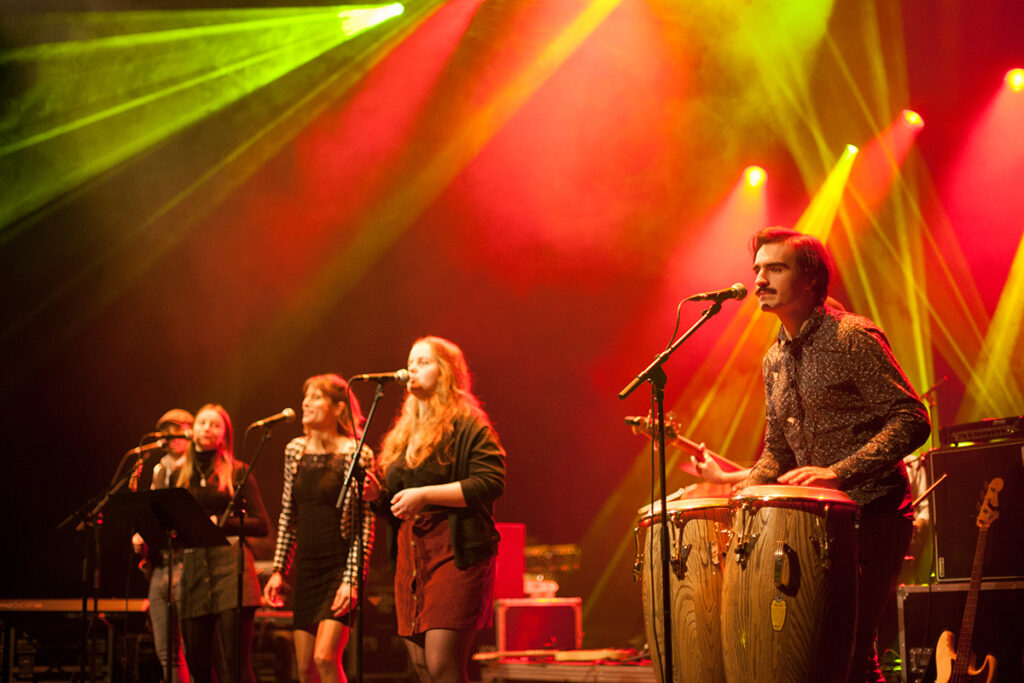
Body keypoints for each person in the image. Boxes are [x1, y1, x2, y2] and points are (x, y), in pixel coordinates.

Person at [731, 227, 930, 683]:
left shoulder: (852, 337)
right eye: (757, 269)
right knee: (812, 655)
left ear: (810, 279)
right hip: (811, 526)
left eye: (775, 268)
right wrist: (743, 491)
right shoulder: (773, 360)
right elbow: (777, 450)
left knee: (854, 655)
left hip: (874, 515)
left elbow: (912, 418)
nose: (760, 279)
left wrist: (840, 473)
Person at [365, 336, 506, 683]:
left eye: (423, 362)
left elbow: (490, 482)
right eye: (410, 362)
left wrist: (425, 494)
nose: (412, 368)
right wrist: (374, 495)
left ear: (446, 371)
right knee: (422, 667)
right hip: (412, 557)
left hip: (455, 553)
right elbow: (396, 502)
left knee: (443, 664)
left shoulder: (468, 423)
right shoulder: (405, 430)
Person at [263, 375, 375, 683]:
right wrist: (278, 570)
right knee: (304, 669)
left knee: (325, 658)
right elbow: (289, 513)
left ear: (339, 409)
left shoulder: (357, 452)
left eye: (316, 397)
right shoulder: (294, 450)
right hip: (307, 569)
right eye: (306, 396)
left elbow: (366, 523)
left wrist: (352, 579)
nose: (306, 403)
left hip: (339, 568)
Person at [175, 404, 269, 683]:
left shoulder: (238, 473)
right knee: (197, 661)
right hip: (193, 568)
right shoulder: (180, 474)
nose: (207, 428)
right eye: (203, 422)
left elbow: (262, 524)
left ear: (224, 435)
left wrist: (221, 522)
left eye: (215, 425)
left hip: (231, 569)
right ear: (192, 430)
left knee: (233, 663)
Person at [131, 408, 195, 682]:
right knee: (166, 652)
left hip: (188, 564)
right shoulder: (159, 470)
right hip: (161, 567)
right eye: (166, 431)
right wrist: (143, 533)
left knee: (193, 648)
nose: (171, 437)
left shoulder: (196, 468)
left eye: (177, 430)